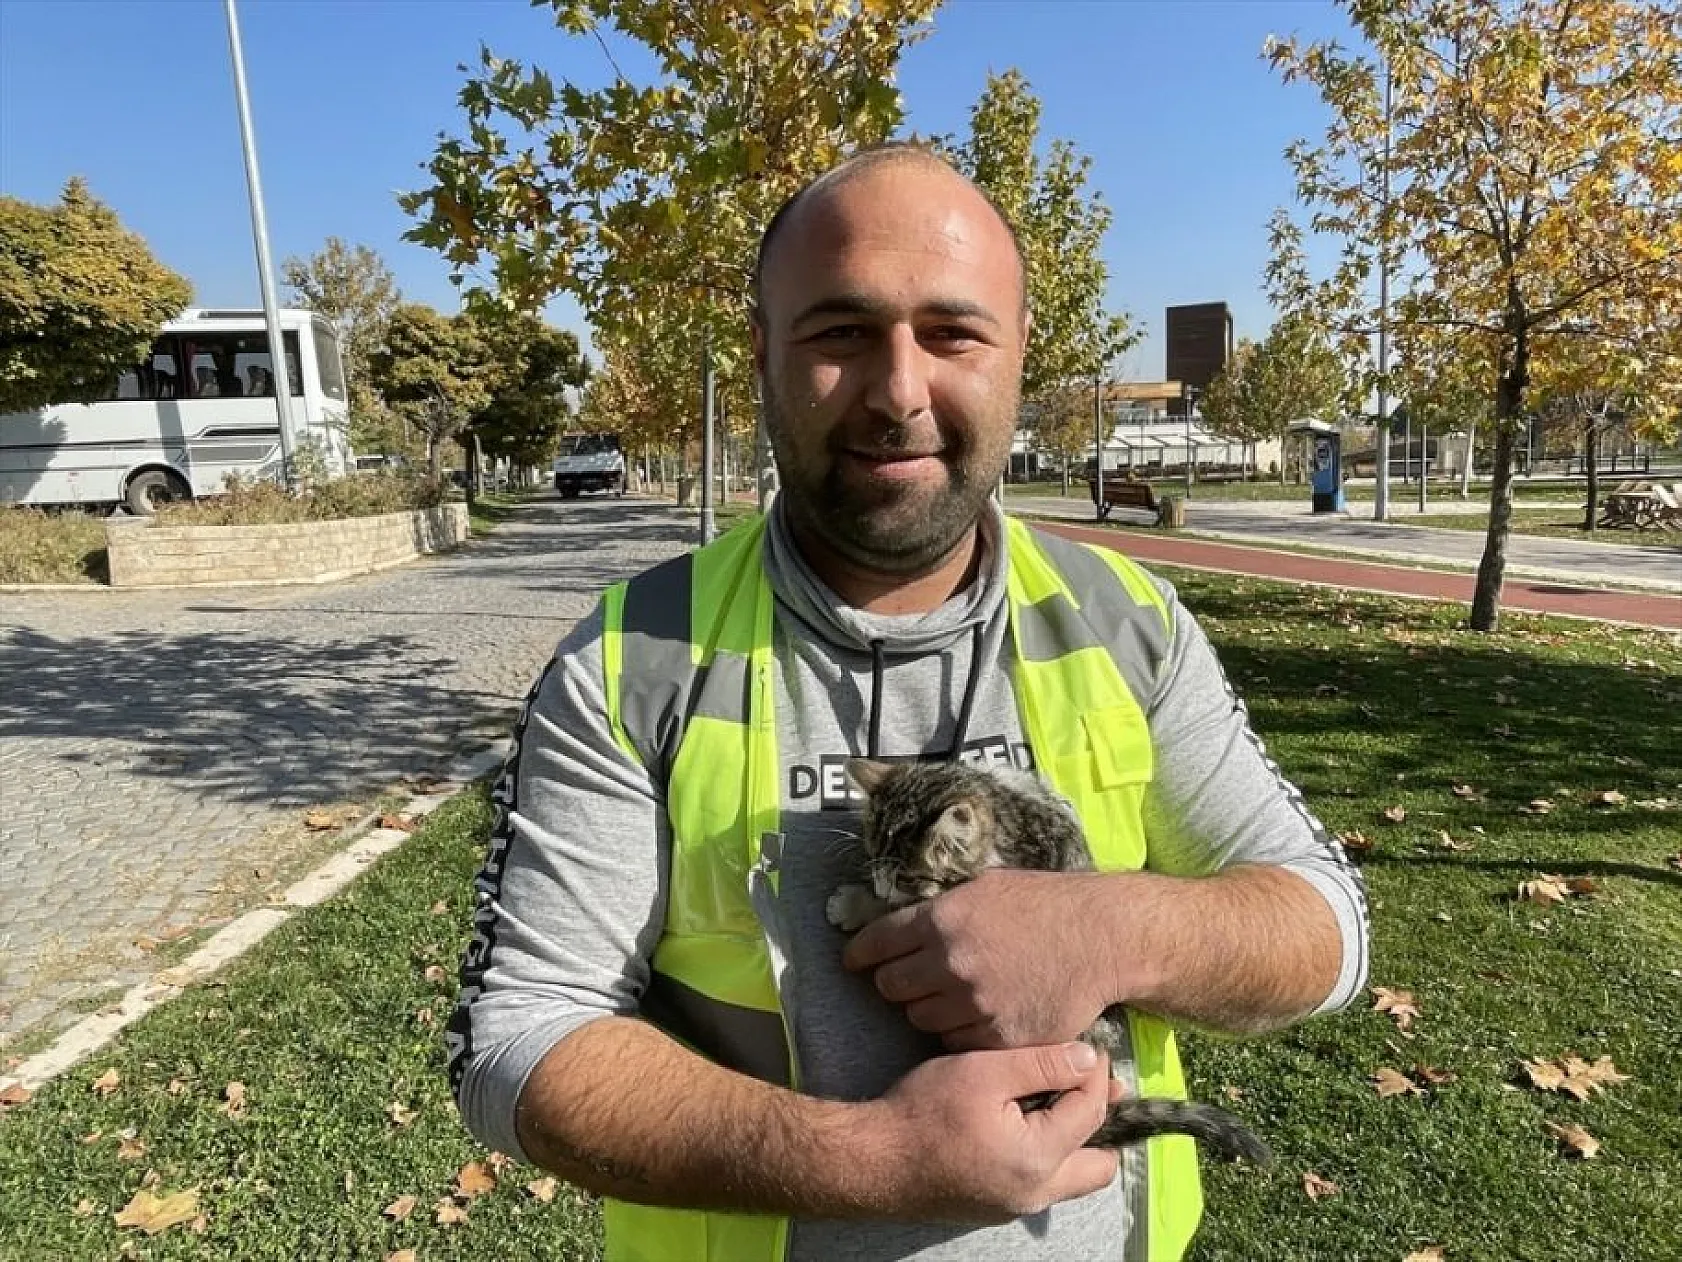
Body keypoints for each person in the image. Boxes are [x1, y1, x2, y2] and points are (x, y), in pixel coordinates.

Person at [448, 145, 1369, 1261]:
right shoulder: (628, 662)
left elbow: (1325, 926)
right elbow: (516, 1041)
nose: (897, 391)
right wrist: (869, 1161)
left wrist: (1113, 925)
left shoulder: (1127, 624)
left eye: (951, 332)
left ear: (1018, 352)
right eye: (839, 331)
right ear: (763, 355)